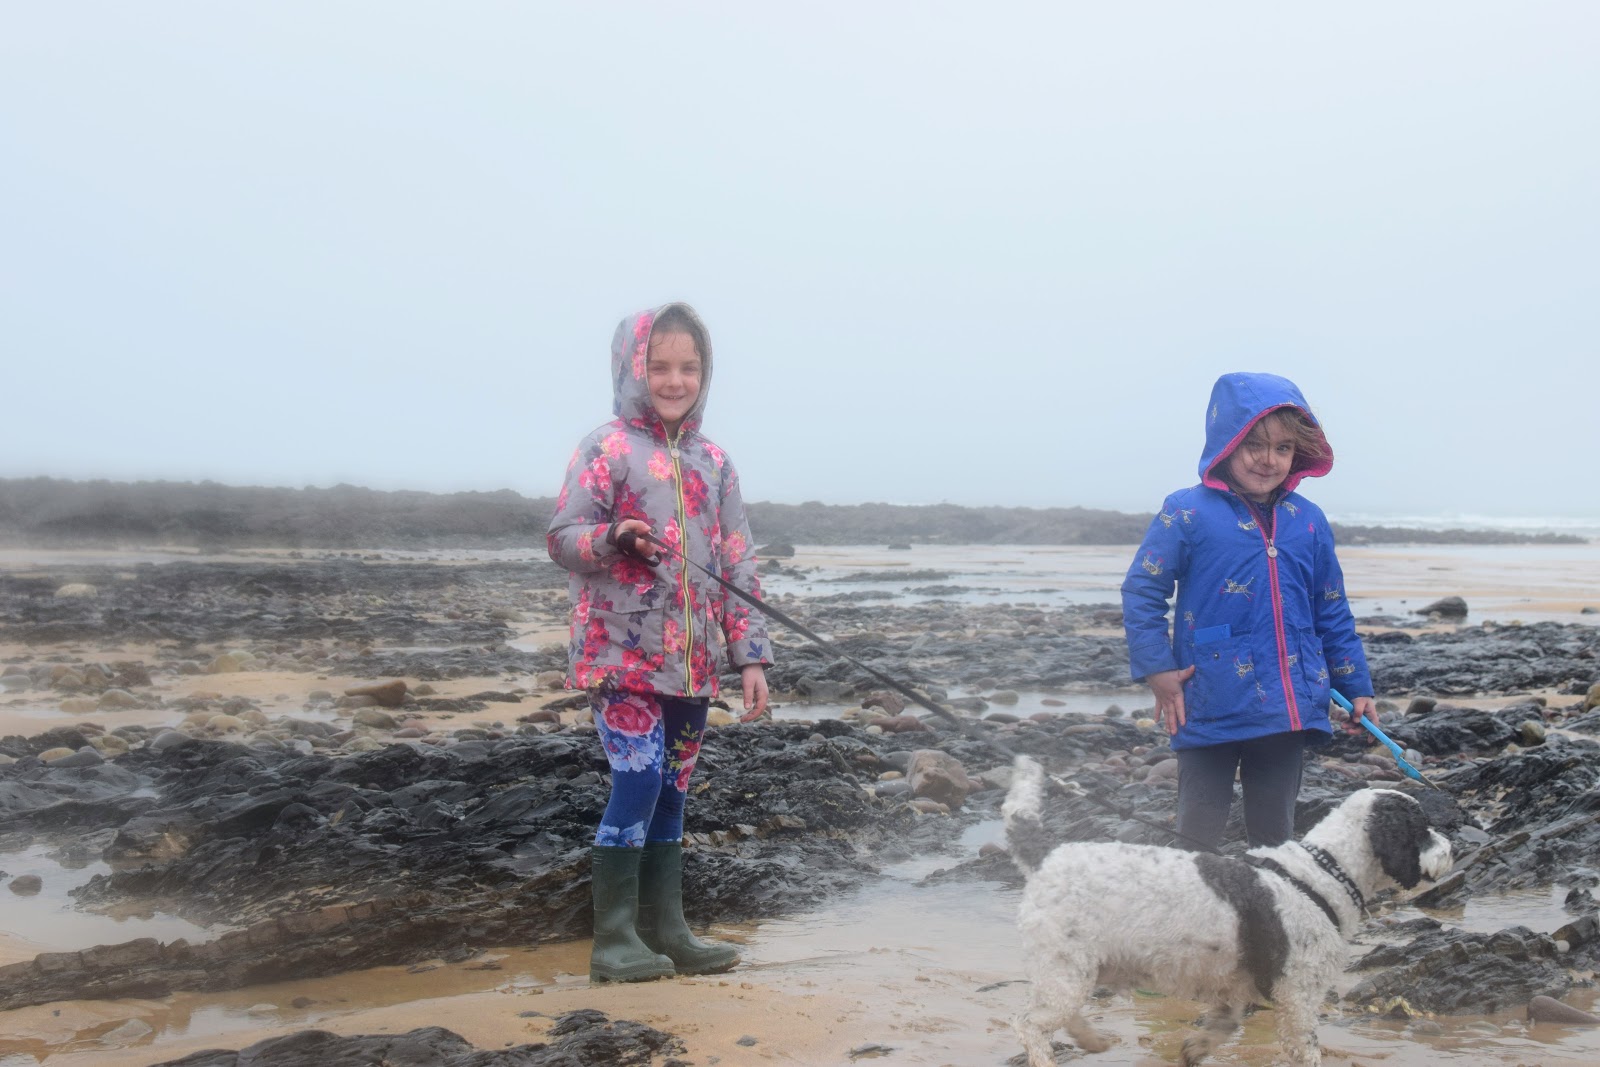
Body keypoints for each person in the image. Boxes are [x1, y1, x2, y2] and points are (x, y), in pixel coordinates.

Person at [547, 302, 772, 982]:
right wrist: (613, 536)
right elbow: (563, 538)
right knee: (638, 779)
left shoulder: (715, 463)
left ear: (706, 372)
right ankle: (613, 940)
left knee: (672, 788)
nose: (675, 380)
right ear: (631, 368)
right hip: (620, 655)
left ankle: (666, 929)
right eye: (660, 366)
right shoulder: (606, 448)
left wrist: (751, 656)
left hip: (693, 663)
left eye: (689, 367)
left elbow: (738, 562)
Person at [1120, 372, 1375, 852]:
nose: (1268, 459)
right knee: (1196, 837)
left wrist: (1355, 684)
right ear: (1227, 442)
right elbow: (1142, 590)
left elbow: (1332, 610)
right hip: (1208, 698)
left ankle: (1268, 900)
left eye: (1282, 448)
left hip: (1287, 707)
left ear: (1298, 453)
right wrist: (1157, 668)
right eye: (1254, 444)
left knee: (1275, 840)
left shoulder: (1308, 520)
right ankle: (1188, 901)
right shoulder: (1186, 512)